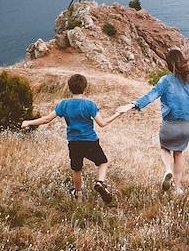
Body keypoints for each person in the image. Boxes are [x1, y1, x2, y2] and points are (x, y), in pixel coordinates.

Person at [117, 48, 189, 195]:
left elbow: (151, 96)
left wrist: (132, 105)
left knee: (164, 148)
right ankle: (177, 188)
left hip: (170, 125)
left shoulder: (165, 81)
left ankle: (168, 169)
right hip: (187, 126)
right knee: (179, 153)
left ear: (169, 65)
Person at [22, 73, 123, 203]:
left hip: (73, 142)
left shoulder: (63, 104)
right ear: (85, 88)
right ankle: (100, 182)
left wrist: (29, 122)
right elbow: (102, 123)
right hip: (90, 141)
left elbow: (47, 119)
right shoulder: (90, 105)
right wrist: (117, 114)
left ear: (69, 88)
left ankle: (78, 195)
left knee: (77, 168)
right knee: (103, 162)